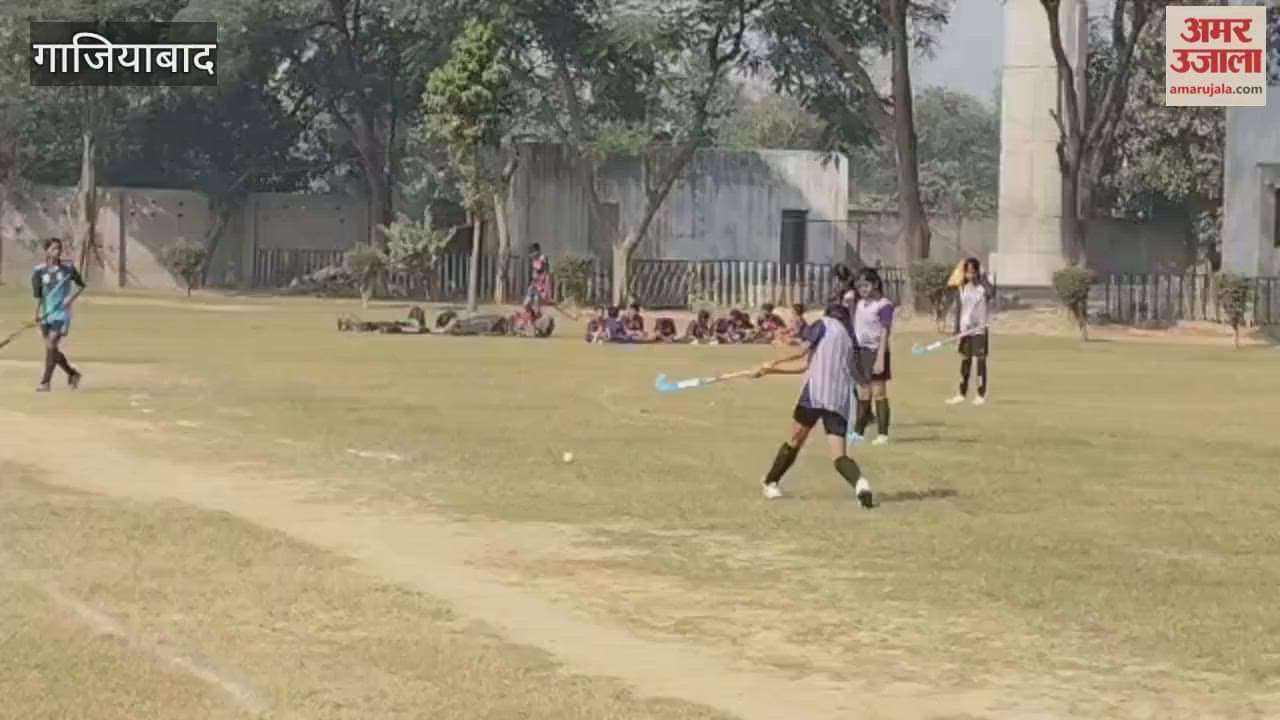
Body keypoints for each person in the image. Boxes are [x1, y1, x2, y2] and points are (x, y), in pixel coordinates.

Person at [753, 302, 873, 508]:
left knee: (794, 440)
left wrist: (772, 363)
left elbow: (801, 353)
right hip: (838, 401)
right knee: (839, 457)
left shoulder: (824, 324)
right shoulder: (849, 338)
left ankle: (770, 482)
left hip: (814, 395)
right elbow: (807, 366)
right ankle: (860, 484)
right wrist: (769, 371)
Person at [32, 238, 85, 392]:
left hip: (61, 313)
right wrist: (37, 313)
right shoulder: (39, 271)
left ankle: (45, 383)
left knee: (52, 341)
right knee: (51, 349)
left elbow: (81, 285)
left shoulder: (68, 269)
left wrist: (70, 299)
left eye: (59, 248)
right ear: (47, 251)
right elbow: (39, 295)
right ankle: (72, 373)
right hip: (46, 313)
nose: (58, 251)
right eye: (54, 248)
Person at [850, 269, 893, 446]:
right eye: (860, 286)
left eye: (866, 285)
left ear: (875, 284)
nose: (863, 289)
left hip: (876, 351)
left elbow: (885, 332)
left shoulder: (884, 305)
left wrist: (880, 358)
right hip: (861, 352)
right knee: (863, 393)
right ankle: (858, 432)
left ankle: (883, 434)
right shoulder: (859, 303)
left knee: (878, 393)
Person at [946, 257, 995, 406]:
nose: (970, 275)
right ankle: (961, 393)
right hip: (965, 330)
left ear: (977, 272)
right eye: (968, 272)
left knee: (980, 360)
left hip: (979, 329)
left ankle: (980, 394)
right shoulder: (962, 288)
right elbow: (959, 309)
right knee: (965, 360)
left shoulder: (983, 288)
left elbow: (991, 293)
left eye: (973, 272)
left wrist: (983, 277)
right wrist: (956, 330)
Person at [527, 243, 552, 312]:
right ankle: (532, 315)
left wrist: (547, 292)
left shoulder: (543, 259)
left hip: (541, 286)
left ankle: (537, 314)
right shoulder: (534, 260)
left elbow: (547, 274)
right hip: (534, 284)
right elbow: (535, 273)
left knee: (536, 303)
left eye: (532, 252)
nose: (531, 255)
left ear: (537, 251)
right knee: (526, 304)